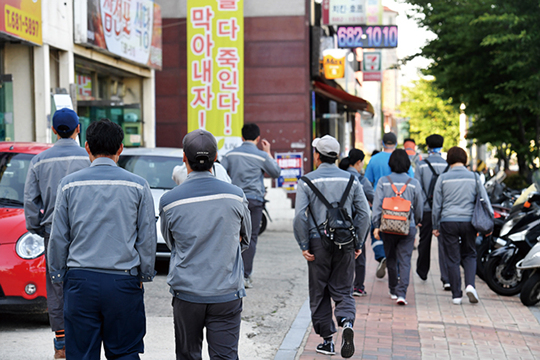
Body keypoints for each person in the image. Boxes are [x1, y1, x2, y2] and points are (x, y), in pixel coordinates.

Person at [48, 119, 157, 359]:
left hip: (80, 282)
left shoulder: (68, 186)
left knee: (82, 354)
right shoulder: (139, 186)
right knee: (125, 352)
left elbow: (58, 238)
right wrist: (144, 275)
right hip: (123, 283)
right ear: (120, 148)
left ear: (86, 147)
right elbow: (147, 238)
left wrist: (58, 276)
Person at [159, 129, 251, 360]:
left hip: (187, 293)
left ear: (183, 157)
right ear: (216, 157)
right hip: (227, 292)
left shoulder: (169, 201)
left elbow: (172, 243)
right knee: (226, 356)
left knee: (188, 355)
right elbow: (245, 239)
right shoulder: (236, 196)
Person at [294, 135, 370, 358]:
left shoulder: (307, 181)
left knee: (319, 291)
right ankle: (347, 322)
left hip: (318, 243)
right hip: (345, 242)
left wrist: (304, 244)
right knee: (344, 289)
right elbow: (365, 213)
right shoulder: (351, 180)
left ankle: (327, 340)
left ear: (317, 156)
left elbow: (300, 216)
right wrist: (358, 242)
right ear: (337, 156)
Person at [23, 108, 90, 359]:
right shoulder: (88, 158)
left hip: (53, 232)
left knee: (57, 285)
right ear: (78, 129)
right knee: (84, 282)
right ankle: (85, 338)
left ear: (53, 130)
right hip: (85, 232)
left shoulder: (39, 161)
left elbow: (30, 202)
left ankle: (61, 345)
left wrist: (38, 227)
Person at [221, 123, 281, 288]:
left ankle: (229, 275)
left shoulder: (230, 155)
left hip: (234, 200)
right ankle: (245, 276)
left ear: (241, 137)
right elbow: (276, 172)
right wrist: (268, 152)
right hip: (254, 201)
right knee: (251, 237)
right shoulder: (261, 155)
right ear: (258, 138)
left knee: (231, 237)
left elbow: (220, 172)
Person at [432, 147, 494, 305]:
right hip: (469, 222)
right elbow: (485, 201)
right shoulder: (474, 177)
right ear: (465, 159)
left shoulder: (443, 178)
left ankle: (456, 295)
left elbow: (437, 205)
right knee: (470, 254)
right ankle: (470, 286)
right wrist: (489, 222)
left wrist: (435, 225)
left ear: (449, 160)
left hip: (448, 221)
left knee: (452, 257)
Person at [372, 149, 424, 305]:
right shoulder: (414, 183)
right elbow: (419, 206)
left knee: (391, 257)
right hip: (408, 226)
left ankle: (393, 289)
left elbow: (377, 205)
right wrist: (417, 220)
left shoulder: (383, 181)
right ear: (408, 164)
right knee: (405, 259)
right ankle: (402, 293)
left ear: (391, 164)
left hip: (387, 226)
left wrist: (376, 224)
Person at [364, 132, 414, 279]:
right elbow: (411, 181)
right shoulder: (404, 159)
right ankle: (398, 272)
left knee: (377, 233)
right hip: (401, 206)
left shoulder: (374, 160)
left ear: (383, 143)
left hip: (379, 203)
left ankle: (381, 256)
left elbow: (367, 183)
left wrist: (370, 200)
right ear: (396, 143)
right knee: (399, 236)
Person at [414, 134, 451, 290]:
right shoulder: (448, 165)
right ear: (442, 146)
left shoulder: (421, 164)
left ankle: (422, 271)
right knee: (445, 243)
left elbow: (418, 188)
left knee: (425, 240)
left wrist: (422, 206)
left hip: (427, 210)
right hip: (443, 210)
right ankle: (446, 278)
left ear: (427, 146)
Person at [339, 149, 374, 297]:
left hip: (339, 222)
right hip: (356, 222)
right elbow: (372, 196)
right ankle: (358, 286)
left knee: (340, 254)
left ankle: (340, 284)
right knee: (359, 253)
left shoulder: (340, 176)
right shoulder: (361, 180)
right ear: (359, 162)